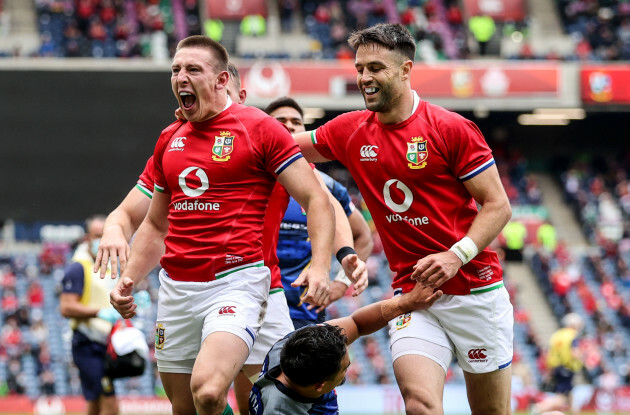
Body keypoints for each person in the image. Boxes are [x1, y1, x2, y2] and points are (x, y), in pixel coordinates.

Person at [97, 64, 367, 415]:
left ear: (237, 97)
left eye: (295, 122)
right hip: (200, 288)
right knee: (209, 404)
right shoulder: (179, 144)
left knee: (286, 398)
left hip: (261, 288)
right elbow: (140, 218)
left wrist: (336, 269)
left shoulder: (270, 141)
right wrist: (112, 230)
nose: (287, 127)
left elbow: (327, 205)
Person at [294, 23, 513, 414]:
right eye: (360, 68)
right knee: (418, 405)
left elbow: (498, 205)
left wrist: (455, 255)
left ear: (406, 69)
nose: (364, 78)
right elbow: (283, 148)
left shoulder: (451, 128)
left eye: (376, 68)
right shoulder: (349, 130)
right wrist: (222, 119)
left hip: (475, 293)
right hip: (414, 296)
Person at [249, 281, 444, 414]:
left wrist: (405, 302)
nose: (348, 370)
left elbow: (357, 324)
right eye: (344, 370)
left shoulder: (295, 343)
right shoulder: (284, 410)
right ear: (320, 386)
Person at [264, 96, 373, 328]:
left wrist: (341, 284)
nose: (290, 126)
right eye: (281, 120)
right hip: (254, 300)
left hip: (304, 311)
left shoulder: (327, 186)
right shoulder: (253, 181)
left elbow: (362, 236)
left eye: (296, 122)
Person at [60, 215, 120, 415]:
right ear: (87, 238)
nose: (102, 241)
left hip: (103, 343)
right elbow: (66, 308)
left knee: (94, 401)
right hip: (87, 343)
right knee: (109, 403)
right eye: (97, 236)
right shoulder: (78, 267)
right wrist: (100, 313)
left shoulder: (109, 266)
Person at [531, 313, 584, 415]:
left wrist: (550, 370)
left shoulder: (557, 335)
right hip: (567, 368)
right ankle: (538, 408)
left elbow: (549, 354)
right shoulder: (572, 335)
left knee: (569, 395)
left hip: (557, 368)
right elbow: (575, 353)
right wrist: (583, 357)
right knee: (561, 397)